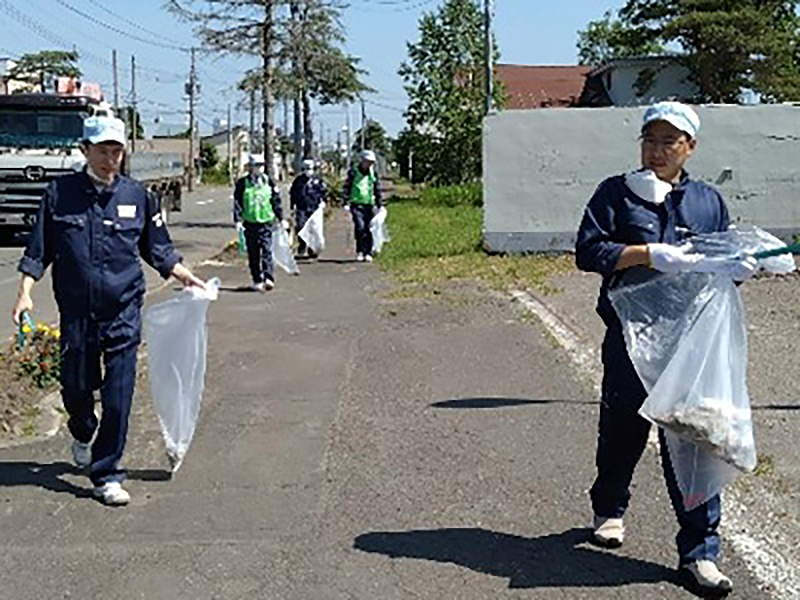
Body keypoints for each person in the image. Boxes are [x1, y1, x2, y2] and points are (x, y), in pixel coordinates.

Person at [575, 102, 756, 595]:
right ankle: (609, 507)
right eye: (649, 140)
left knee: (696, 440)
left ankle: (699, 553)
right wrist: (647, 254)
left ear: (690, 147)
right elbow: (588, 251)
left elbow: (721, 259)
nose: (656, 151)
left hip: (689, 340)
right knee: (622, 432)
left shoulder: (707, 201)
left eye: (668, 142)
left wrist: (737, 268)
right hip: (632, 337)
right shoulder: (617, 193)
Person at [12, 116, 204, 506]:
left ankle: (107, 473)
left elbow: (158, 249)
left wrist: (185, 276)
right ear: (84, 150)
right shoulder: (59, 194)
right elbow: (39, 250)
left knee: (119, 396)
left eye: (116, 150)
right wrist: (25, 293)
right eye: (102, 150)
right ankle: (82, 432)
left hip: (123, 311)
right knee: (77, 390)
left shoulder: (138, 196)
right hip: (78, 314)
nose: (110, 158)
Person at [233, 154, 287, 291]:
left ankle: (269, 277)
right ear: (250, 167)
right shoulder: (242, 183)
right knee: (253, 253)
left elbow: (275, 201)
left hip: (266, 222)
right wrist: (238, 220)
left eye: (261, 165)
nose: (259, 168)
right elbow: (238, 203)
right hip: (250, 223)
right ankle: (257, 279)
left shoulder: (269, 182)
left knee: (267, 250)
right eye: (256, 166)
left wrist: (281, 218)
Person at [342, 150, 382, 262]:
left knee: (369, 228)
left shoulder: (373, 173)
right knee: (360, 227)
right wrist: (345, 201)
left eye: (371, 162)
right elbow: (347, 187)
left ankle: (368, 252)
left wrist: (380, 203)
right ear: (362, 161)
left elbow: (376, 188)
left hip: (369, 204)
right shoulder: (353, 172)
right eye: (367, 161)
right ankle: (360, 250)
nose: (369, 164)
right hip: (356, 204)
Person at [290, 158, 327, 259]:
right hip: (301, 207)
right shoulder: (298, 181)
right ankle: (302, 245)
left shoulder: (318, 180)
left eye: (310, 168)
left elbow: (323, 191)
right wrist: (292, 206)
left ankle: (312, 249)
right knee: (301, 226)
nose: (308, 171)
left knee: (314, 230)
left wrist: (323, 201)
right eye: (305, 168)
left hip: (315, 208)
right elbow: (293, 193)